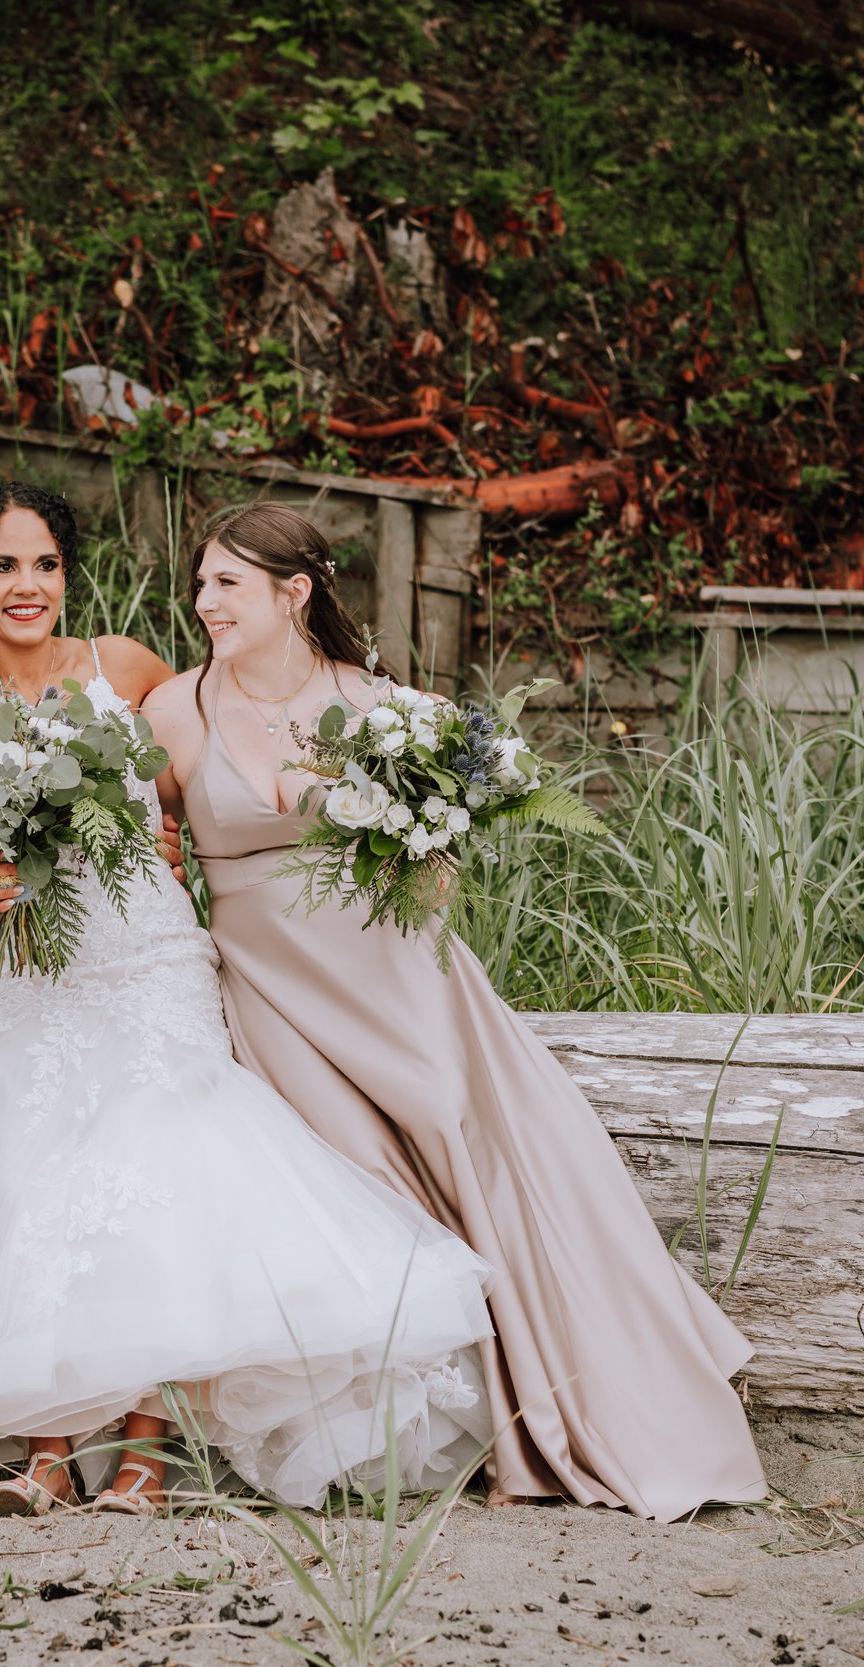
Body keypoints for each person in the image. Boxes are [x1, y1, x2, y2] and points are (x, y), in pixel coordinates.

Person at [0, 482, 499, 1515]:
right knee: (26, 1177)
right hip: (28, 972)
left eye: (45, 564)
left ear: (66, 574)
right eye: (2, 566)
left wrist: (178, 839)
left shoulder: (129, 671)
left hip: (145, 956)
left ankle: (151, 1453)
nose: (27, 586)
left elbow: (201, 791)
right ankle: (49, 1449)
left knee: (163, 1179)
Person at [143, 503, 769, 1523]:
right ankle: (385, 1425)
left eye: (227, 584)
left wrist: (429, 843)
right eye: (202, 581)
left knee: (454, 1134)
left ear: (293, 593)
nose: (203, 600)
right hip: (269, 990)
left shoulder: (384, 706)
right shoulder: (174, 710)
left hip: (395, 978)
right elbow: (135, 855)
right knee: (343, 1166)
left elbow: (440, 854)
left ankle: (553, 1399)